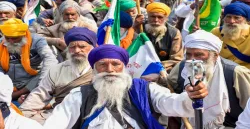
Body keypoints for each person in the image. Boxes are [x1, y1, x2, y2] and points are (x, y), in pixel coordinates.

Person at [43, 44, 208, 129]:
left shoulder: (143, 89)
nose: (110, 70)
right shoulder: (79, 95)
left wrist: (190, 96)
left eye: (116, 64)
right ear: (94, 68)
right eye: (102, 65)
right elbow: (56, 122)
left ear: (124, 67)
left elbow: (171, 103)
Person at [167, 30, 250, 128]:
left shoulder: (236, 73)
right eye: (189, 54)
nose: (192, 60)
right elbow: (170, 93)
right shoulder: (182, 67)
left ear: (215, 56)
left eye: (199, 55)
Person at [19, 27, 97, 124]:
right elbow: (40, 94)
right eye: (72, 47)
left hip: (90, 114)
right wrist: (24, 113)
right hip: (61, 113)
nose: (77, 50)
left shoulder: (100, 68)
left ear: (92, 48)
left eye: (82, 47)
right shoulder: (58, 69)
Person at [0, 18, 58, 101]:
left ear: (24, 34)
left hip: (32, 80)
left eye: (15, 38)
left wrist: (42, 82)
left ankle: (18, 94)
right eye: (8, 38)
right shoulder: (1, 43)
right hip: (9, 82)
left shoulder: (37, 40)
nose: (11, 41)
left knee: (48, 72)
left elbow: (50, 59)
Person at [135, 2, 183, 72]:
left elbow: (176, 59)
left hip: (163, 70)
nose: (156, 20)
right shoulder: (139, 28)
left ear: (166, 18)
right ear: (148, 16)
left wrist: (157, 68)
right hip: (139, 67)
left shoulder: (174, 33)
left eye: (160, 17)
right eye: (153, 16)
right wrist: (134, 26)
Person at [211, 2, 250, 69]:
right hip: (222, 71)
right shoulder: (216, 32)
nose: (232, 21)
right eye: (228, 17)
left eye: (237, 18)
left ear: (246, 20)